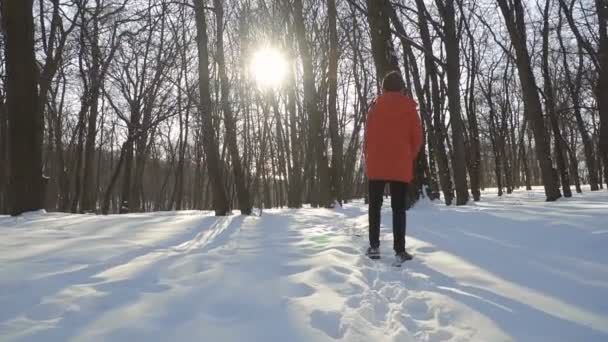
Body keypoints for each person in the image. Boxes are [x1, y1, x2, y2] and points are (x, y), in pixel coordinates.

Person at [363, 71, 423, 264]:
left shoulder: (374, 107)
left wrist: (369, 156)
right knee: (398, 208)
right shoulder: (410, 109)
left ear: (384, 88)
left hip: (377, 163)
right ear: (402, 88)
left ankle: (374, 246)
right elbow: (418, 138)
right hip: (400, 164)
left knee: (375, 206)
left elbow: (368, 137)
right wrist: (407, 156)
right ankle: (400, 250)